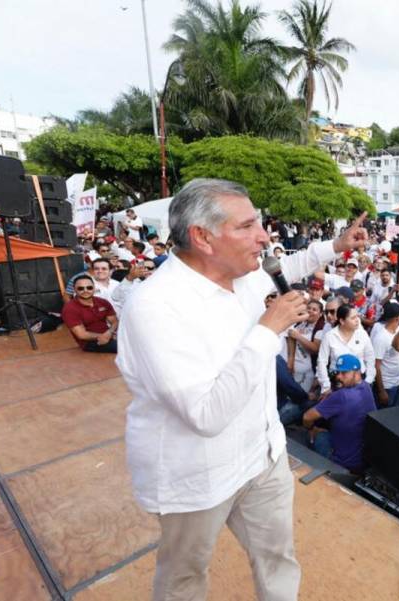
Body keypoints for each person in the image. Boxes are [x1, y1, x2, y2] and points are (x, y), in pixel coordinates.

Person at [116, 178, 369, 600]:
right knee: (184, 578)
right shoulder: (155, 308)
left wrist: (335, 247)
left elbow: (288, 267)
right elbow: (206, 415)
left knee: (278, 560)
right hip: (196, 476)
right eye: (247, 226)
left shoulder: (244, 276)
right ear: (203, 237)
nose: (264, 236)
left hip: (261, 457)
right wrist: (269, 328)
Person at [302, 354, 376, 474]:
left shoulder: (341, 396)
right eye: (338, 372)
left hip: (340, 462)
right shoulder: (366, 387)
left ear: (357, 372)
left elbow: (307, 417)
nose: (338, 377)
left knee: (313, 434)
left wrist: (312, 428)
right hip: (360, 459)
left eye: (344, 373)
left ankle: (320, 468)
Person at [315, 304, 376, 397]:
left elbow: (370, 358)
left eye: (357, 317)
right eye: (353, 318)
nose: (357, 320)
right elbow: (321, 362)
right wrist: (326, 386)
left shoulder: (362, 334)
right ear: (342, 321)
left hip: (359, 381)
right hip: (338, 381)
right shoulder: (330, 336)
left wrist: (368, 381)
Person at [61, 274, 118, 353]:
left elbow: (115, 321)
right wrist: (107, 336)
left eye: (89, 287)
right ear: (74, 290)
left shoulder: (102, 302)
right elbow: (82, 335)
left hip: (109, 335)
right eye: (81, 288)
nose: (85, 290)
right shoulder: (70, 309)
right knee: (124, 348)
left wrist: (110, 332)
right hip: (90, 342)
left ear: (94, 288)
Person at [371, 302, 399, 408]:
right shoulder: (381, 338)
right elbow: (376, 365)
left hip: (398, 384)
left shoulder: (396, 333)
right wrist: (381, 391)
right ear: (397, 319)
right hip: (386, 387)